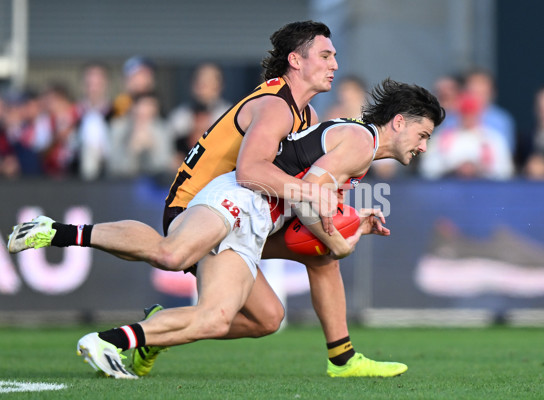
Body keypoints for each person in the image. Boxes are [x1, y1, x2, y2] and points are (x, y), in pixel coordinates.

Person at [6, 21, 398, 379]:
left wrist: (339, 219)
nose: (334, 63)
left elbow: (286, 182)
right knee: (172, 255)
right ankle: (58, 233)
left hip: (242, 214)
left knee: (267, 318)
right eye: (325, 55)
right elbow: (251, 172)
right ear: (296, 60)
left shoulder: (306, 114)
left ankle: (155, 333)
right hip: (201, 201)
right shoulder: (276, 105)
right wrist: (314, 195)